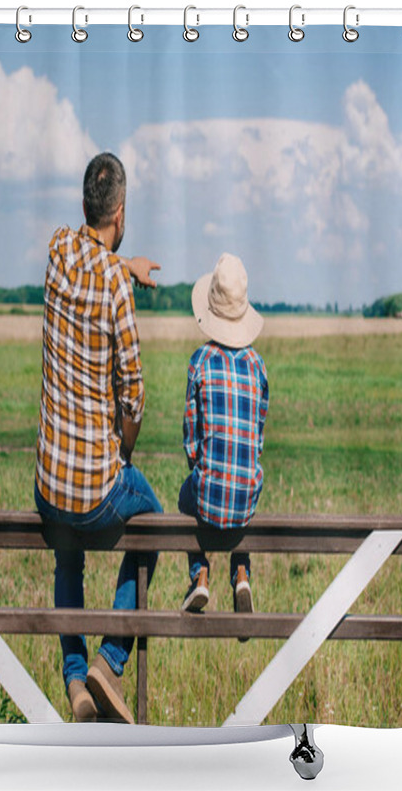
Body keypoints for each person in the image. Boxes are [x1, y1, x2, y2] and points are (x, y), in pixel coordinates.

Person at [35, 152, 161, 724]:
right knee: (155, 519)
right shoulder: (117, 288)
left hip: (48, 488)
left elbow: (94, 254)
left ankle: (73, 681)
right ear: (122, 212)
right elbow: (133, 393)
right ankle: (109, 662)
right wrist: (123, 452)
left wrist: (122, 261)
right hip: (95, 494)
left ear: (86, 205)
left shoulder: (59, 249)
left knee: (68, 558)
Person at [179, 253, 269, 625]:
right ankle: (241, 574)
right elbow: (257, 441)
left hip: (207, 496)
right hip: (246, 498)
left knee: (188, 495)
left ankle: (199, 575)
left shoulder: (200, 361)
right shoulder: (258, 365)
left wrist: (203, 471)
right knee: (241, 489)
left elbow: (190, 441)